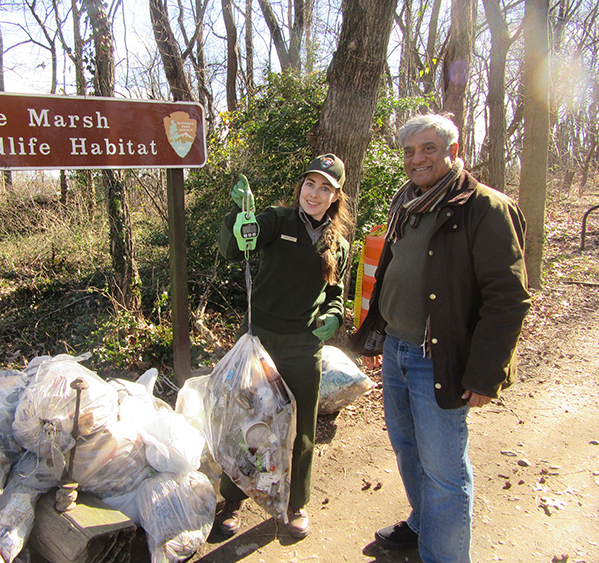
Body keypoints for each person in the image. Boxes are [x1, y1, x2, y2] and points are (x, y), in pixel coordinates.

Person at [349, 114, 531, 562]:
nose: (417, 159)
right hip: (396, 350)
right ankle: (422, 521)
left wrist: (486, 374)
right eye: (409, 151)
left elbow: (508, 298)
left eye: (428, 148)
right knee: (407, 450)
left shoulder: (484, 208)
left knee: (445, 470)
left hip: (438, 358)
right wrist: (379, 335)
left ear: (452, 149)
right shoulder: (406, 203)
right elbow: (392, 273)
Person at [216, 154, 352, 538]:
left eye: (325, 187)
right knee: (249, 423)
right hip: (260, 339)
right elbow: (234, 248)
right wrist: (239, 214)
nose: (315, 193)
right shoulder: (277, 221)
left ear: (335, 196)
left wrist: (336, 316)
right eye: (311, 184)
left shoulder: (338, 244)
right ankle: (233, 500)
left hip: (303, 345)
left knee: (300, 429)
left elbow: (335, 293)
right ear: (301, 187)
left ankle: (296, 504)